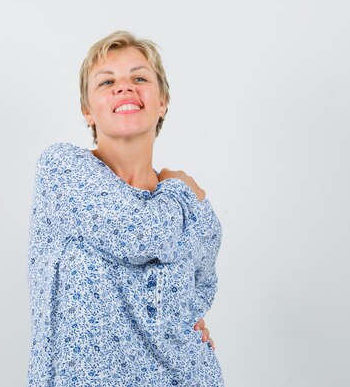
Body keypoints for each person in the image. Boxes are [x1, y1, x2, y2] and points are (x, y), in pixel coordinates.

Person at [27, 31, 224, 386]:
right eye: (107, 82)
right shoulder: (63, 171)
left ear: (161, 102)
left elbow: (202, 290)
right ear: (87, 110)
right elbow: (137, 234)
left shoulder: (196, 210)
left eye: (139, 78)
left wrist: (191, 325)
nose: (124, 87)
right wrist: (179, 190)